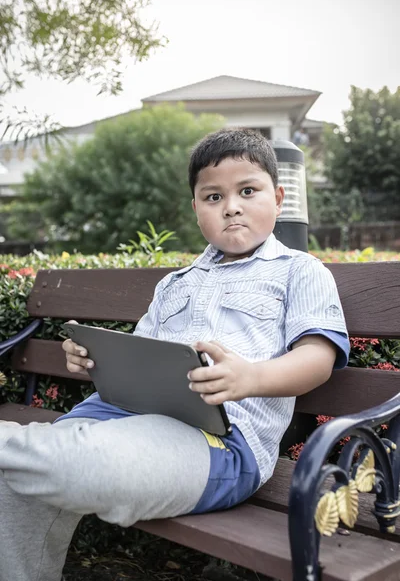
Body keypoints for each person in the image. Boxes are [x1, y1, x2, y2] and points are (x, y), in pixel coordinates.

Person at [0, 128, 349, 581]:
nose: (231, 206)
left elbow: (317, 359)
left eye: (248, 191)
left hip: (220, 443)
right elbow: (143, 358)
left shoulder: (300, 272)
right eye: (213, 196)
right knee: (16, 484)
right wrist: (92, 358)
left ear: (278, 199)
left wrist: (250, 378)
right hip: (116, 417)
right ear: (196, 210)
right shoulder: (176, 283)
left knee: (75, 463)